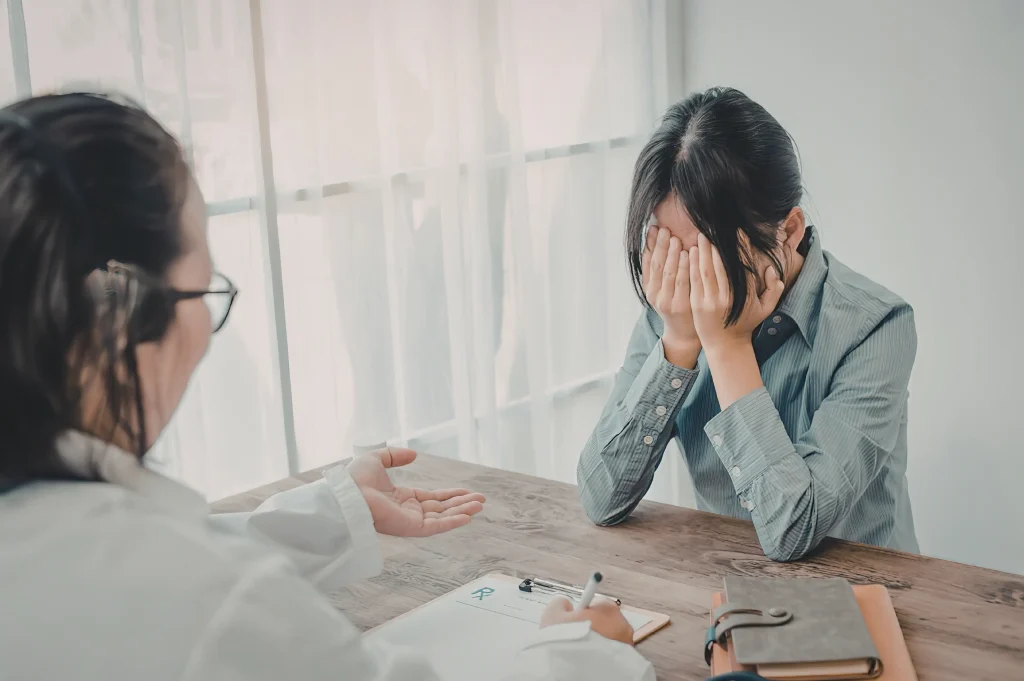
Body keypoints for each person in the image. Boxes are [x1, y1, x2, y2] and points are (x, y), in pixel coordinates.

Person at [0, 92, 654, 681]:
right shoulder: (208, 603)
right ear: (125, 315)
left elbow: (136, 565)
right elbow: (186, 593)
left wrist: (340, 511)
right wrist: (579, 656)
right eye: (206, 291)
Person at [577, 87, 919, 562]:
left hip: (868, 599)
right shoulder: (675, 311)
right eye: (670, 247)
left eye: (710, 252)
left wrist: (727, 347)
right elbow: (601, 497)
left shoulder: (876, 327)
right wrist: (679, 342)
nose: (690, 275)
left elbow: (794, 528)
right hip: (729, 590)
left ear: (790, 231)